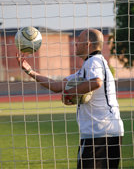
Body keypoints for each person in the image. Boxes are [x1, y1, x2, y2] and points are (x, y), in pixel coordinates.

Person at [16, 29, 124, 169]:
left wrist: (70, 93)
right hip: (110, 131)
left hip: (98, 132)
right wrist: (29, 71)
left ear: (88, 43)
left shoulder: (93, 61)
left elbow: (96, 82)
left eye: (78, 40)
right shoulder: (88, 66)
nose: (75, 43)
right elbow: (56, 86)